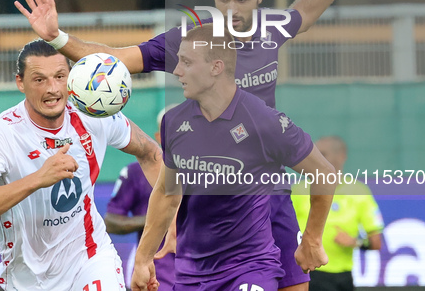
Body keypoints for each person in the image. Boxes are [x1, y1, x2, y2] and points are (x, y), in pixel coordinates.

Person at [15, 0, 361, 291]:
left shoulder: (270, 29)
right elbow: (118, 58)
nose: (230, 8)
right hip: (209, 195)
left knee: (293, 283)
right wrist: (57, 37)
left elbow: (305, 13)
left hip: (267, 190)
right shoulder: (189, 41)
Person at [131, 24, 337, 290]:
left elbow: (324, 173)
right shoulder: (174, 121)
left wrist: (312, 238)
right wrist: (143, 258)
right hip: (191, 273)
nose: (177, 71)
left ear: (216, 67)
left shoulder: (263, 122)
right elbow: (167, 194)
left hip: (250, 269)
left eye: (186, 63)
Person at [0, 39, 162, 291]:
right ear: (20, 82)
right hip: (26, 278)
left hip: (90, 259)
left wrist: (171, 226)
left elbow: (152, 155)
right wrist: (38, 178)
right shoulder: (2, 133)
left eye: (60, 76)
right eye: (39, 80)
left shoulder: (93, 113)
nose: (52, 89)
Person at [291, 136, 384, 291]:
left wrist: (355, 242)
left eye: (323, 154)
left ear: (341, 156)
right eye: (314, 154)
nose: (317, 159)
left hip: (342, 278)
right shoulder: (298, 190)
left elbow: (376, 243)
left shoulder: (359, 192)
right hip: (307, 273)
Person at [105, 106, 177, 290]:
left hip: (203, 273)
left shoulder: (211, 171)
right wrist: (157, 219)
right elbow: (111, 221)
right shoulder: (135, 172)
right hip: (156, 275)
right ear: (159, 137)